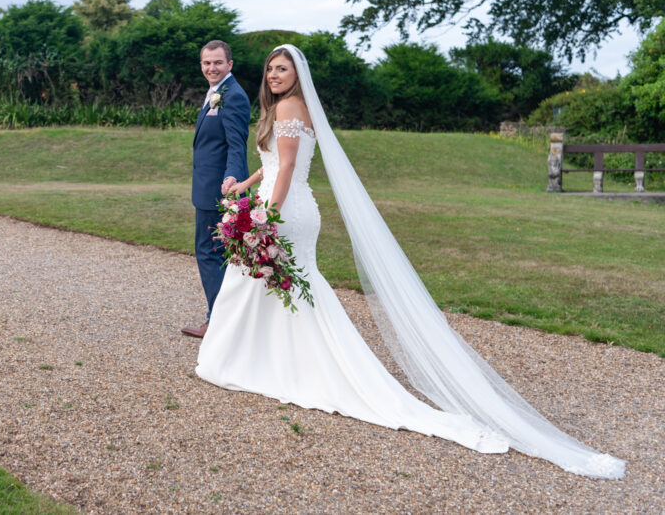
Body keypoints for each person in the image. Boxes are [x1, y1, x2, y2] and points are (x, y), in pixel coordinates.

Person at [195, 44, 625, 479]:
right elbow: (271, 166)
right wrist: (246, 186)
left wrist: (268, 215)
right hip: (287, 204)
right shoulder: (292, 107)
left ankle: (262, 361)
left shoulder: (289, 107)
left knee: (264, 281)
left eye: (281, 69)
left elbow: (285, 170)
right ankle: (274, 360)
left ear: (296, 75)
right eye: (270, 69)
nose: (273, 75)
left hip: (285, 209)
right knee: (279, 285)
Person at [183, 40, 251, 338]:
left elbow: (237, 145)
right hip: (207, 187)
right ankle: (225, 319)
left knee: (211, 253)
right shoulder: (215, 93)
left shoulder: (232, 96)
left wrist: (233, 178)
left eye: (217, 63)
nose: (211, 68)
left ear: (230, 65)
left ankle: (218, 322)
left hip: (219, 191)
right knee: (219, 255)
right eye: (206, 63)